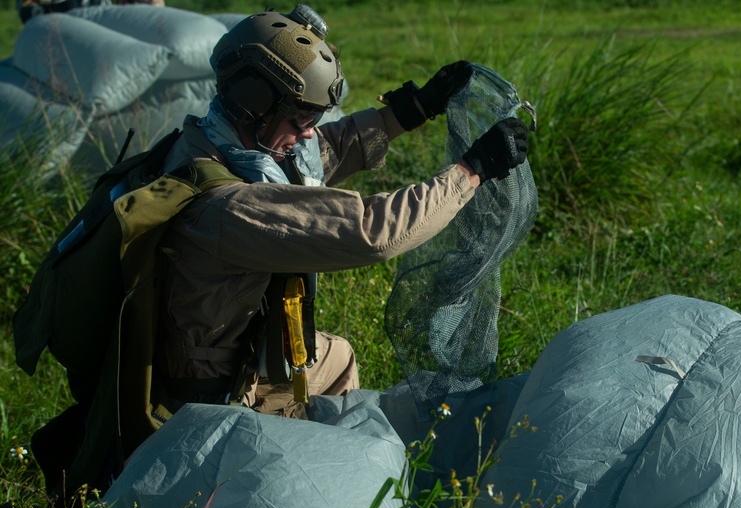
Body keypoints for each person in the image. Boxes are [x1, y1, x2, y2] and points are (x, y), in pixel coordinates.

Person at [152, 4, 529, 422]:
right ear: (255, 104)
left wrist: (411, 109)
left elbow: (310, 158)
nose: (309, 130)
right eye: (303, 115)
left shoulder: (213, 143)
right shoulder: (230, 208)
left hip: (232, 344)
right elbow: (369, 231)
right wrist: (470, 171)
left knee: (338, 357)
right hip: (216, 390)